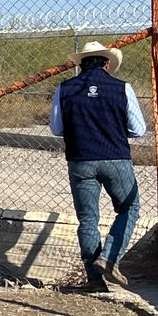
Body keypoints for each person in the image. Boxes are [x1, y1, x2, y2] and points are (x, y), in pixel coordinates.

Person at [49, 40, 147, 291]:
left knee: (88, 220)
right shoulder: (122, 88)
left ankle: (95, 280)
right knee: (128, 207)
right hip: (116, 158)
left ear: (81, 64)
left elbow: (57, 129)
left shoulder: (64, 88)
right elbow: (139, 129)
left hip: (80, 160)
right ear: (106, 63)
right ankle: (110, 258)